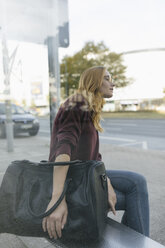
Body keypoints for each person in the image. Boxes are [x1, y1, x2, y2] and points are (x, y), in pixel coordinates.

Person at [42, 66, 150, 240]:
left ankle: (134, 242)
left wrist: (106, 184)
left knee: (136, 182)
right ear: (94, 82)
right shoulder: (77, 103)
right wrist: (57, 199)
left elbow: (95, 158)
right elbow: (62, 150)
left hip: (86, 176)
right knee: (134, 195)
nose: (112, 83)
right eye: (106, 78)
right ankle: (136, 243)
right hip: (71, 182)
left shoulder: (88, 108)